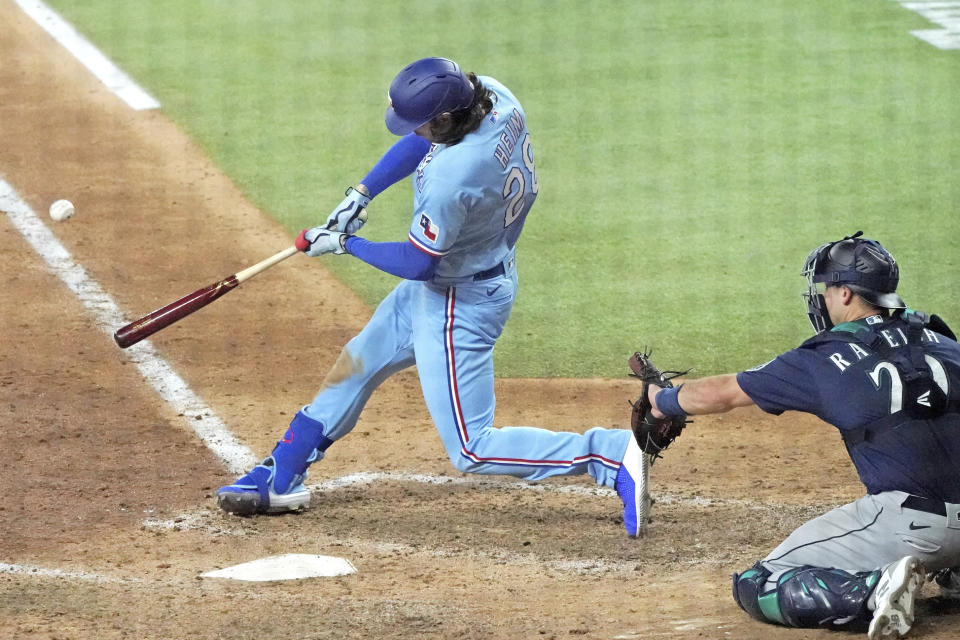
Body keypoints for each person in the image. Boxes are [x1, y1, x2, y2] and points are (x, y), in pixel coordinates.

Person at [216, 57, 651, 537]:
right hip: (462, 276)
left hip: (457, 301)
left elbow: (419, 262)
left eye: (422, 123)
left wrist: (344, 244)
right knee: (359, 360)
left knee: (472, 448)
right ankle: (284, 471)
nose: (415, 131)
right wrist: (362, 193)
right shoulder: (493, 97)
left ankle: (609, 454)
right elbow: (419, 144)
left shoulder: (455, 176)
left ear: (445, 119)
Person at [645, 231, 960, 639]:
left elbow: (722, 394)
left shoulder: (823, 357)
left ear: (845, 294)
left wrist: (661, 400)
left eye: (827, 288)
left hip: (913, 528)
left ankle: (872, 590)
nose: (823, 297)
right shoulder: (946, 343)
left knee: (760, 583)